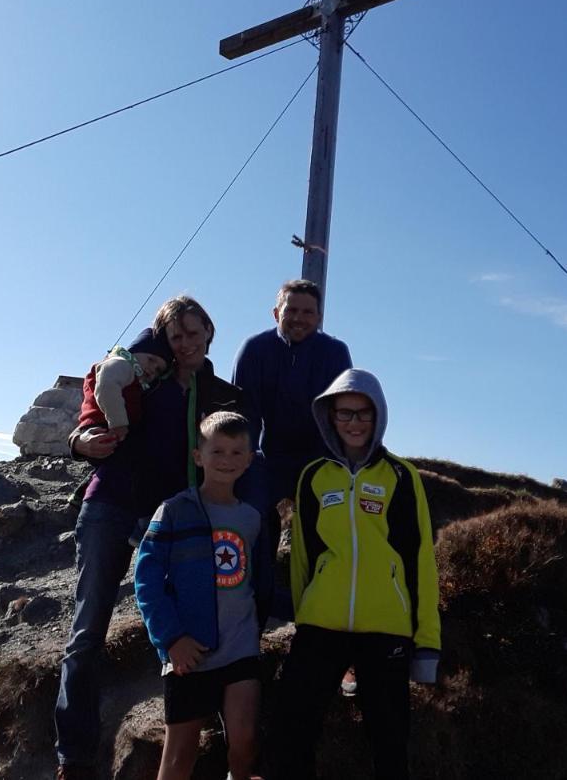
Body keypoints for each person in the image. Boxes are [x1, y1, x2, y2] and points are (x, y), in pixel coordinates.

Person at [54, 296, 253, 780]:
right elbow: (95, 392)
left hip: (171, 518)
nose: (185, 342)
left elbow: (240, 452)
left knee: (184, 622)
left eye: (193, 332)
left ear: (210, 330)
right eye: (176, 335)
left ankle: (189, 735)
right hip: (108, 504)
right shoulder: (147, 372)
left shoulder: (223, 395)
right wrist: (77, 440)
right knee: (87, 633)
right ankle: (75, 758)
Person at [278, 369, 441, 780]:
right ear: (330, 417)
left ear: (379, 416)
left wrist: (426, 643)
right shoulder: (313, 476)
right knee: (292, 730)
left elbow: (419, 558)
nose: (354, 422)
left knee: (390, 741)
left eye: (364, 413)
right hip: (320, 626)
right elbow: (303, 558)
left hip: (386, 627)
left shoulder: (401, 477)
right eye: (345, 413)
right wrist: (305, 614)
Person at [134, 411, 273, 780]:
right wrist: (172, 639)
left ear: (248, 459)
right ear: (199, 456)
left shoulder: (253, 517)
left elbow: (260, 581)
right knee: (179, 757)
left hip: (241, 646)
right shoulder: (174, 510)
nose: (226, 460)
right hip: (189, 651)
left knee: (244, 742)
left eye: (236, 452)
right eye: (217, 451)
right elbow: (146, 579)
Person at [231, 279, 352, 502]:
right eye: (291, 310)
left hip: (322, 462)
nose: (299, 318)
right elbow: (244, 416)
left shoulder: (335, 353)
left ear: (319, 317)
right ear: (276, 314)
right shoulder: (254, 350)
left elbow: (344, 414)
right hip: (269, 460)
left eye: (307, 312)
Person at [75, 327, 173, 444]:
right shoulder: (121, 363)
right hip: (104, 427)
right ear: (135, 351)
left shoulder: (137, 379)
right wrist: (118, 424)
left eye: (158, 370)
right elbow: (107, 386)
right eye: (151, 360)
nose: (153, 368)